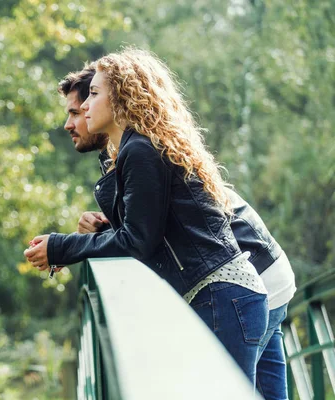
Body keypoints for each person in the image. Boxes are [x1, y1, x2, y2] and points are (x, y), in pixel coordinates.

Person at [24, 48, 269, 387]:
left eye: (93, 94)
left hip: (221, 297)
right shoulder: (136, 148)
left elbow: (137, 240)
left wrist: (61, 248)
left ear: (122, 97)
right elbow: (148, 226)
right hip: (228, 297)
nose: (83, 106)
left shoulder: (140, 150)